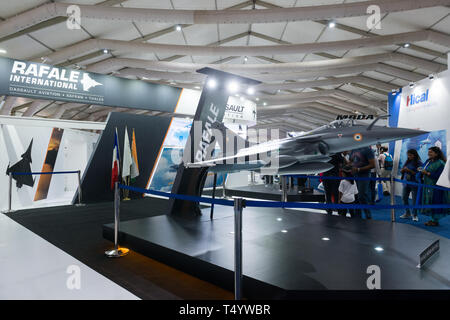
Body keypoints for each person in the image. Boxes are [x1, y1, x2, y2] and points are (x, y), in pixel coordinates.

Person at [419, 146, 449, 226]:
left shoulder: (440, 163)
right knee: (430, 201)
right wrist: (421, 170)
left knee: (435, 201)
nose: (429, 153)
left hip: (436, 187)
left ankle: (435, 220)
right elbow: (423, 168)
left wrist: (427, 173)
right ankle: (432, 219)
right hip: (427, 185)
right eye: (428, 152)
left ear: (436, 153)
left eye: (431, 152)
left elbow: (440, 176)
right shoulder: (428, 161)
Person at [350, 147, 376, 219]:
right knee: (355, 197)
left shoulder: (368, 150)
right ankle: (358, 216)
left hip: (364, 176)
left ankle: (368, 216)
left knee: (362, 196)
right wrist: (349, 166)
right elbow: (351, 161)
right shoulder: (353, 149)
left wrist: (358, 169)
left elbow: (373, 165)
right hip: (354, 176)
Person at [399, 149, 422, 221]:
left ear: (414, 155)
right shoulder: (407, 162)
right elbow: (402, 170)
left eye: (410, 155)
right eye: (408, 155)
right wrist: (402, 170)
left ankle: (415, 215)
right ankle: (407, 213)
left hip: (415, 183)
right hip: (406, 183)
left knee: (414, 200)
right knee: (404, 197)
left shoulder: (419, 163)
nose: (409, 156)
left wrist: (410, 171)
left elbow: (420, 174)